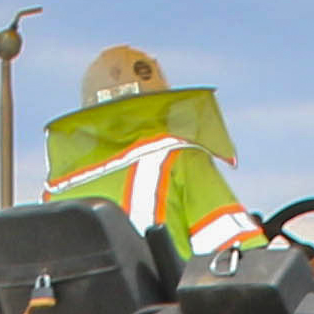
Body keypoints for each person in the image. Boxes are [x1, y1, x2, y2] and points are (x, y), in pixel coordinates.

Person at [41, 44, 266, 269]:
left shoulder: (57, 190)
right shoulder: (178, 158)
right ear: (162, 103)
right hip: (168, 302)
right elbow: (244, 258)